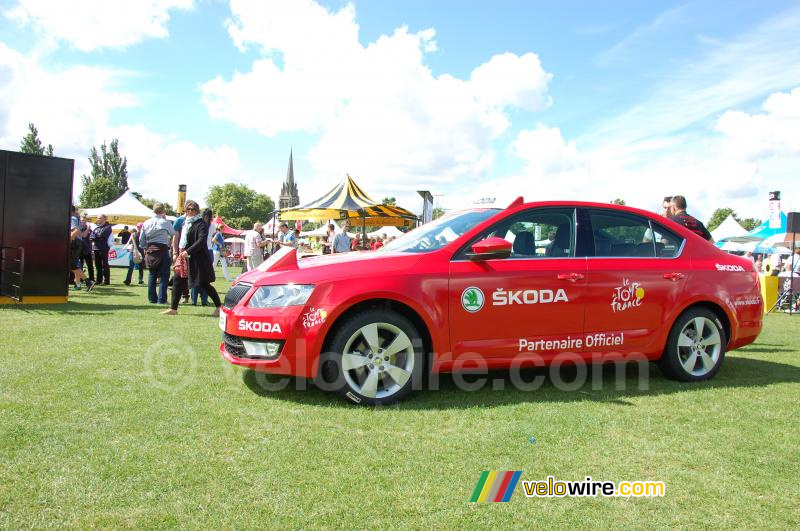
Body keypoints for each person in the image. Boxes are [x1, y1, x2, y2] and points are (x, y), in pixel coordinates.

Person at [163, 200, 222, 316]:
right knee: (177, 280)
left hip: (196, 258)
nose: (190, 211)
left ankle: (219, 307)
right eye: (188, 209)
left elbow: (201, 241)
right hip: (183, 255)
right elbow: (178, 237)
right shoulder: (184, 222)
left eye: (192, 209)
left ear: (197, 211)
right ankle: (173, 309)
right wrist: (177, 252)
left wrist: (188, 251)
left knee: (203, 283)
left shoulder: (201, 224)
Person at [139, 203, 175, 304]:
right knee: (164, 275)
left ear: (153, 211)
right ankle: (162, 299)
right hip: (162, 248)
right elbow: (173, 233)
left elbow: (141, 240)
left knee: (152, 274)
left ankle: (152, 298)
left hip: (150, 249)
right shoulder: (165, 222)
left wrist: (146, 247)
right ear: (163, 211)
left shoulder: (146, 223)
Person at [69, 206, 94, 292]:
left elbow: (76, 230)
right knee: (73, 265)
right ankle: (87, 282)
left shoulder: (72, 218)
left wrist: (69, 239)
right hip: (77, 243)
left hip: (74, 243)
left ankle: (88, 282)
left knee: (72, 265)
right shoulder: (75, 218)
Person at [90, 214, 113, 285]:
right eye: (97, 218)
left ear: (104, 219)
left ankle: (106, 280)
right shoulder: (97, 228)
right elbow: (91, 236)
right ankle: (98, 280)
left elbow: (101, 235)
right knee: (97, 264)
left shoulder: (108, 227)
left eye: (100, 218)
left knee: (104, 264)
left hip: (104, 248)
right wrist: (95, 237)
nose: (98, 219)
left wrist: (95, 237)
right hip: (96, 248)